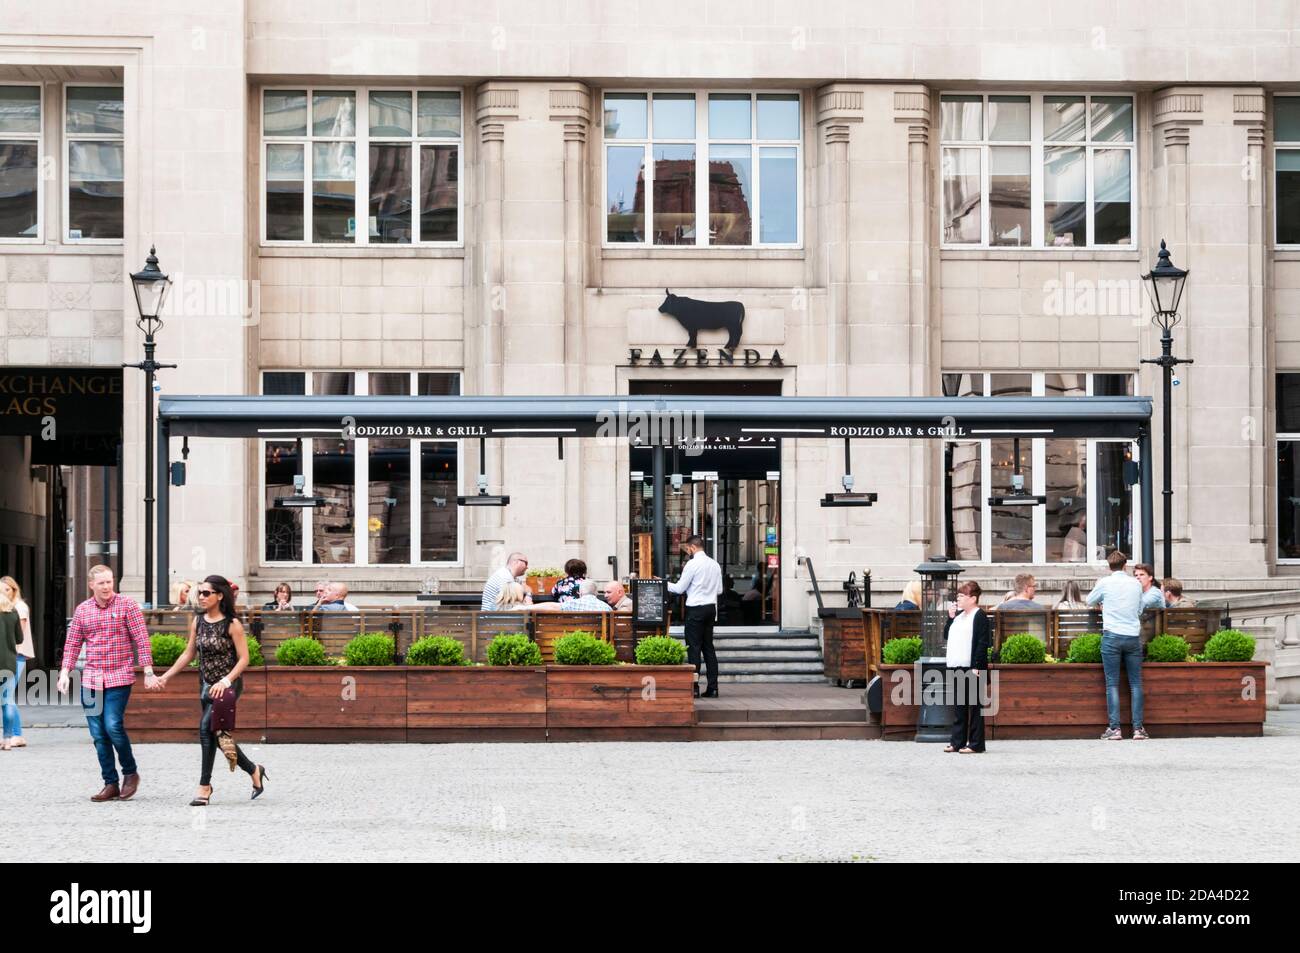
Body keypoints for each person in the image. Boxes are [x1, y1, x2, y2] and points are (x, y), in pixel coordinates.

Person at [151, 575, 268, 805]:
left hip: (227, 685)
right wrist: (165, 677)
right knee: (219, 735)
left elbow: (244, 659)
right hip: (205, 684)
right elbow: (188, 653)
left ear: (220, 596)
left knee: (206, 729)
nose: (201, 597)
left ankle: (204, 787)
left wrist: (225, 681)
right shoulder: (198, 621)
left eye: (206, 593)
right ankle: (254, 770)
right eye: (200, 593)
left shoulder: (232, 624)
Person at [57, 565, 158, 802]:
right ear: (91, 585)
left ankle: (130, 773)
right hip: (91, 679)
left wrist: (148, 670)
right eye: (101, 583)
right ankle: (110, 783)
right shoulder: (82, 611)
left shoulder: (127, 606)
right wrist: (64, 672)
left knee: (113, 725)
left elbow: (141, 639)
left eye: (109, 582)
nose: (106, 587)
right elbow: (72, 644)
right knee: (98, 734)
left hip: (119, 676)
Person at [1086, 550, 1148, 741]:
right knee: (1135, 683)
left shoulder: (1104, 583)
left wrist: (1104, 605)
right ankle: (1138, 729)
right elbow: (1139, 609)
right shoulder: (1135, 584)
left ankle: (1115, 729)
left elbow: (1089, 601)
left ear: (1109, 566)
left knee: (1112, 683)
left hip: (1112, 635)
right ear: (1125, 565)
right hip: (1132, 636)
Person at [667, 535, 723, 698]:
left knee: (694, 648)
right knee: (708, 648)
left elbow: (679, 588)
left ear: (692, 547)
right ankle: (713, 688)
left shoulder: (692, 564)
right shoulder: (714, 564)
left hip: (696, 609)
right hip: (711, 608)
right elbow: (719, 590)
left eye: (688, 549)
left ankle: (695, 687)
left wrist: (662, 582)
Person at [944, 580, 990, 754]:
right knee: (959, 706)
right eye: (958, 595)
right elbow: (947, 635)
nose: (958, 598)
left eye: (962, 595)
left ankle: (976, 744)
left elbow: (982, 643)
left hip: (972, 667)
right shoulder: (959, 616)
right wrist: (950, 618)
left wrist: (977, 666)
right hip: (957, 665)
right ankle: (957, 742)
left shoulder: (979, 616)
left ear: (973, 598)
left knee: (975, 706)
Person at [0, 576, 34, 749]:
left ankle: (17, 734)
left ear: (14, 590)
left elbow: (17, 637)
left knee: (7, 698)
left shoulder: (18, 607)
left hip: (17, 655)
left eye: (8, 589)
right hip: (11, 656)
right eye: (2, 589)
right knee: (6, 698)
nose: (4, 592)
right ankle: (12, 735)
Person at [0, 588, 19, 752]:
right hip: (9, 664)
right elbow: (19, 638)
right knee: (7, 702)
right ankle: (7, 739)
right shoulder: (13, 612)